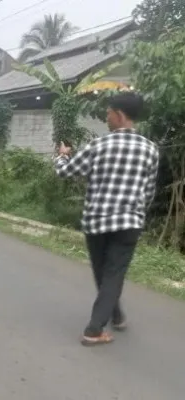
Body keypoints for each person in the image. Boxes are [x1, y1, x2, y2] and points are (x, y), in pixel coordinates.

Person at [54, 92, 159, 346]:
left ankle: (93, 329)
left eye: (109, 112)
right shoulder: (151, 150)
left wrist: (62, 155)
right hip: (129, 224)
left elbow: (65, 172)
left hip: (96, 223)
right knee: (111, 275)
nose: (106, 116)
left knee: (103, 274)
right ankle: (117, 315)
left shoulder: (98, 146)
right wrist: (134, 212)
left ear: (120, 115)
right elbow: (149, 192)